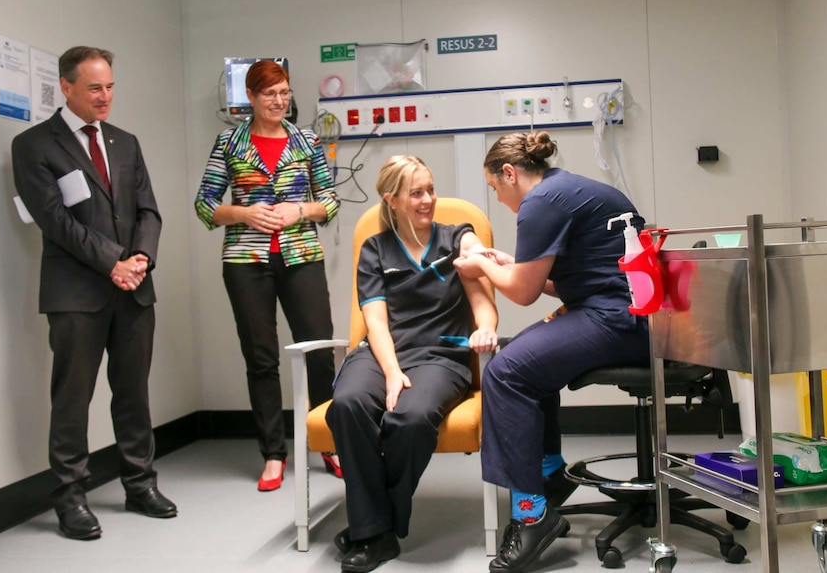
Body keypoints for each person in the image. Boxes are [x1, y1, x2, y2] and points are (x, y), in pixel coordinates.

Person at [453, 132, 650, 573]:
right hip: (630, 314)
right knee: (523, 360)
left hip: (617, 320)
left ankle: (531, 516)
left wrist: (483, 265)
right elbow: (574, 282)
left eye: (497, 190)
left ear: (510, 173)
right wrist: (510, 263)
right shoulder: (576, 188)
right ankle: (549, 473)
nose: (502, 201)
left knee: (505, 373)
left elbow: (521, 294)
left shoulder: (540, 201)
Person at [11, 46, 176, 541]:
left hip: (133, 291)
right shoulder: (33, 144)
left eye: (109, 88)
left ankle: (140, 484)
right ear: (66, 87)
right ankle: (70, 497)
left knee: (133, 395)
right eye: (93, 89)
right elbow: (54, 221)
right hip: (75, 294)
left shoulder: (126, 142)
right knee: (72, 399)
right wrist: (113, 263)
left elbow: (148, 210)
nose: (104, 97)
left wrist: (140, 260)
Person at [326, 155, 498, 573]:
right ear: (393, 199)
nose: (428, 200)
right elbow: (376, 322)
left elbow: (483, 302)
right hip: (382, 352)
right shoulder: (375, 249)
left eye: (430, 190)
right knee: (346, 405)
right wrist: (391, 373)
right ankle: (375, 533)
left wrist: (486, 328)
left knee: (411, 417)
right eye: (416, 193)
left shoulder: (456, 238)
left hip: (441, 356)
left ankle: (374, 524)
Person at [195, 60, 341, 492]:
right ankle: (274, 454)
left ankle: (329, 442)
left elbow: (330, 201)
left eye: (284, 92)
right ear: (251, 98)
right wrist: (243, 212)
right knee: (261, 360)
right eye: (268, 94)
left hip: (301, 256)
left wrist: (301, 209)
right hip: (246, 261)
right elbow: (205, 205)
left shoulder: (307, 140)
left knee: (318, 351)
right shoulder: (229, 142)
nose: (278, 101)